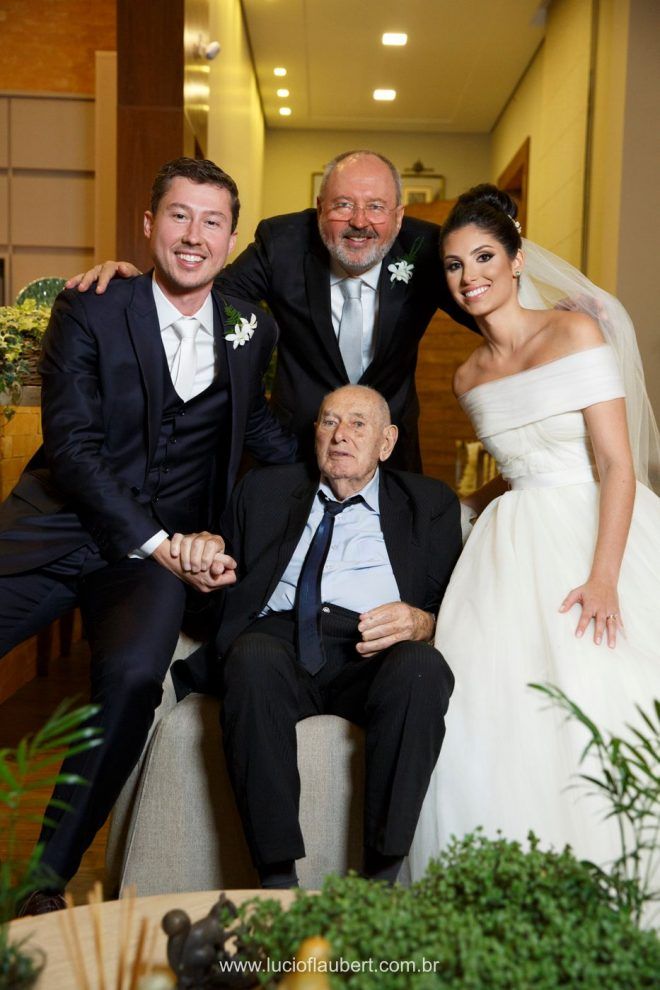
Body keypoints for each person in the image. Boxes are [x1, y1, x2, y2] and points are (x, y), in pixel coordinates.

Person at [0, 157, 297, 913]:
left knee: (135, 679)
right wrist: (163, 544)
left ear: (230, 240)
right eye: (179, 216)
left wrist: (349, 453)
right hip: (57, 529)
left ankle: (44, 881)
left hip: (142, 567)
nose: (194, 235)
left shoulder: (251, 327)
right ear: (148, 224)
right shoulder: (92, 307)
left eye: (212, 221)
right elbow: (72, 446)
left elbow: (256, 431)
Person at [408, 184, 660, 881]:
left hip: (594, 530)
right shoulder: (466, 376)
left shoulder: (575, 333)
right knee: (487, 710)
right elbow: (518, 470)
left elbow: (616, 464)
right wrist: (463, 504)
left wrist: (603, 578)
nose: (470, 276)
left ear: (517, 259)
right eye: (455, 265)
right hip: (509, 545)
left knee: (606, 689)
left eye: (484, 257)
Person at [176, 384, 462, 887]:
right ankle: (277, 882)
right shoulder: (263, 490)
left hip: (372, 647)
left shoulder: (429, 502)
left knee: (422, 667)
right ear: (314, 434)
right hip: (279, 639)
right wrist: (202, 563)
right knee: (252, 655)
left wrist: (421, 622)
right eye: (329, 421)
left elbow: (450, 605)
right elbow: (213, 595)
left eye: (358, 424)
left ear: (387, 442)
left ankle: (379, 881)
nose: (340, 435)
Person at [68, 150, 477, 471]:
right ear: (320, 208)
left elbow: (486, 312)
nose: (359, 221)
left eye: (376, 207)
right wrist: (140, 287)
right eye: (343, 205)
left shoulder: (426, 248)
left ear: (399, 217)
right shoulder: (283, 242)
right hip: (292, 449)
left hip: (390, 450)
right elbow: (212, 294)